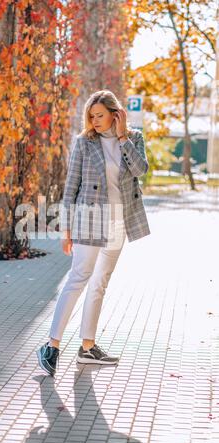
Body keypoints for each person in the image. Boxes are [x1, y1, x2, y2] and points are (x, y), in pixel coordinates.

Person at [37, 89, 151, 377]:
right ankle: (51, 346)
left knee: (100, 283)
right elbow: (71, 186)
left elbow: (140, 170)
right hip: (89, 219)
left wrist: (123, 136)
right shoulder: (84, 142)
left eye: (99, 115)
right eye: (91, 116)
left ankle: (87, 348)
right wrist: (66, 230)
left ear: (115, 114)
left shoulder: (134, 138)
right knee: (78, 279)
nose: (95, 120)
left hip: (118, 223)